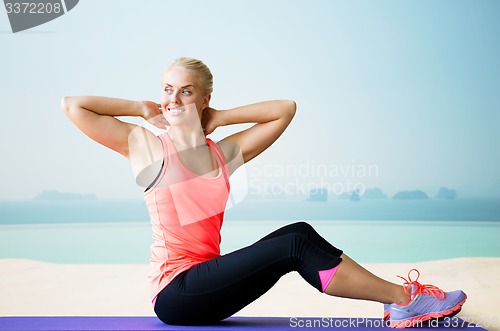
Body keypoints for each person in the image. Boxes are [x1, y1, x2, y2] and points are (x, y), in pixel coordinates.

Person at [61, 57, 466, 328]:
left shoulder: (223, 155)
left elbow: (285, 108)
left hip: (204, 287)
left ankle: (399, 302)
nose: (174, 98)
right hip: (175, 293)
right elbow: (73, 105)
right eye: (168, 89)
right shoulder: (149, 147)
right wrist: (142, 107)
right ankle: (402, 300)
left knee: (300, 233)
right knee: (293, 244)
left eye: (186, 91)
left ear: (204, 99)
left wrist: (219, 118)